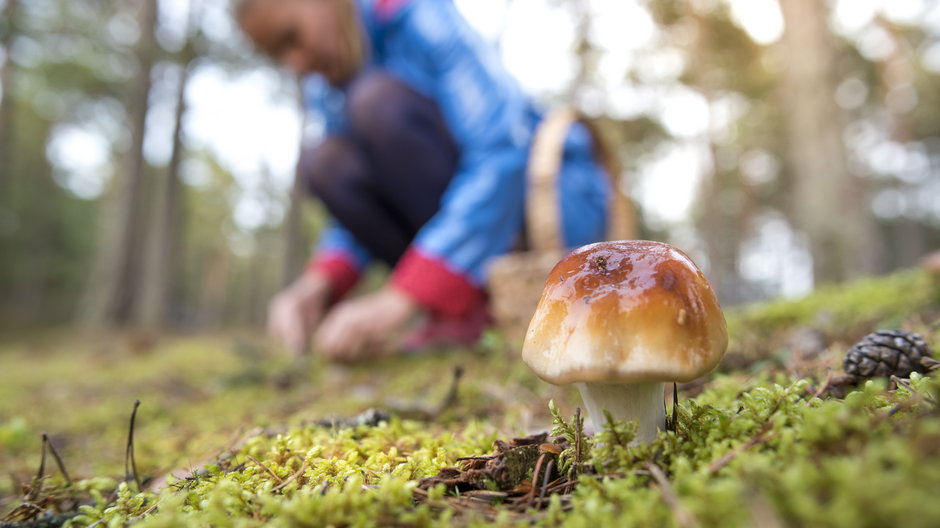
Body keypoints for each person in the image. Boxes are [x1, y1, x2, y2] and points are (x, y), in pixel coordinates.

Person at [236, 0, 613, 361]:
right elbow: (368, 194)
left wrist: (401, 297)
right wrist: (320, 281)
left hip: (544, 211)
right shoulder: (330, 87)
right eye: (278, 56)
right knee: (324, 160)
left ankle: (469, 295)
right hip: (460, 224)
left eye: (291, 36)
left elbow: (502, 151)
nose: (296, 64)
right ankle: (463, 309)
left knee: (375, 103)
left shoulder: (417, 15)